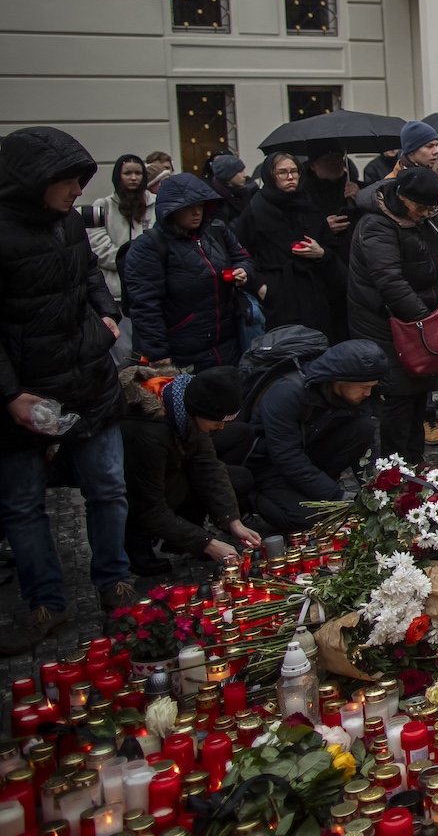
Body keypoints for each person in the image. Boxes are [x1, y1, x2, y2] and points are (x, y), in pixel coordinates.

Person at [0, 127, 136, 653]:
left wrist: (107, 315)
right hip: (26, 393)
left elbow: (90, 276)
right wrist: (10, 395)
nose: (79, 190)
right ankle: (46, 603)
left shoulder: (70, 222)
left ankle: (115, 584)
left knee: (108, 488)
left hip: (87, 378)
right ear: (34, 180)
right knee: (23, 505)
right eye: (68, 180)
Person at [347, 166, 438, 464]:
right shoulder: (376, 224)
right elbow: (390, 282)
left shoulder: (427, 215)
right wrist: (426, 321)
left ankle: (414, 459)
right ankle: (395, 467)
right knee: (399, 395)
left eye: (431, 208)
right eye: (420, 207)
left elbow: (431, 256)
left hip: (417, 318)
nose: (426, 213)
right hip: (385, 320)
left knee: (419, 390)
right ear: (402, 197)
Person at [118, 365, 260, 573]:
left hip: (170, 470)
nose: (221, 427)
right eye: (217, 421)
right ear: (199, 412)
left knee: (237, 478)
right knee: (155, 506)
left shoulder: (189, 411)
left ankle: (184, 533)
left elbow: (209, 468)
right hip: (135, 496)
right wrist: (207, 544)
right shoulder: (148, 432)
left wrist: (233, 522)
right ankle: (138, 538)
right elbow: (149, 507)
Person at [241, 339, 384, 533]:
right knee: (308, 520)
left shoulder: (350, 393)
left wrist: (378, 491)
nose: (368, 393)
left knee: (364, 427)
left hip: (309, 453)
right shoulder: (286, 393)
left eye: (372, 387)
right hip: (270, 468)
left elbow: (366, 447)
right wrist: (337, 496)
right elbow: (287, 457)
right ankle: (251, 498)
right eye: (364, 387)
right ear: (340, 380)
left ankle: (317, 489)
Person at [123, 173, 257, 370]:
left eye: (201, 206)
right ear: (171, 210)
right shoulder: (150, 246)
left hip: (227, 344)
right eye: (188, 207)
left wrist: (243, 271)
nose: (197, 213)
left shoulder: (216, 231)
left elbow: (243, 258)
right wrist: (158, 352)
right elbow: (145, 305)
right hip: (182, 351)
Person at [234, 152, 346, 341]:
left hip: (314, 295)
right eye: (282, 172)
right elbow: (241, 254)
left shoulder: (309, 206)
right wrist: (261, 286)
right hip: (278, 296)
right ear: (270, 176)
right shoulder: (256, 210)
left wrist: (320, 253)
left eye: (294, 171)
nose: (290, 177)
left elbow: (331, 249)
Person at [84, 153, 154, 307]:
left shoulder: (156, 203)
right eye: (127, 173)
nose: (133, 178)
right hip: (116, 292)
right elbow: (98, 248)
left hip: (150, 288)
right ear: (118, 176)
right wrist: (135, 262)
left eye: (138, 173)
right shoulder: (102, 206)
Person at [205, 154, 254, 227]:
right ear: (228, 175)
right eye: (240, 171)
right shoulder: (216, 200)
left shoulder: (247, 191)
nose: (245, 175)